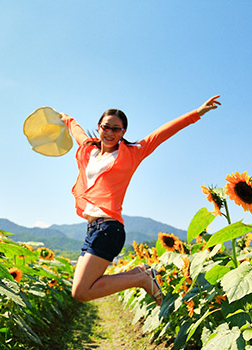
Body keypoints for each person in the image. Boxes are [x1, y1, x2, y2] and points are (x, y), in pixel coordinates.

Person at [60, 95, 221, 303]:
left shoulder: (132, 153)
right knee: (79, 289)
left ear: (123, 132)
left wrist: (197, 113)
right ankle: (140, 273)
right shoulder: (89, 151)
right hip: (93, 229)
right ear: (99, 127)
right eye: (105, 127)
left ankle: (142, 279)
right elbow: (77, 131)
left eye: (115, 129)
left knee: (81, 293)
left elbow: (161, 134)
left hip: (109, 229)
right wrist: (65, 118)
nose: (109, 132)